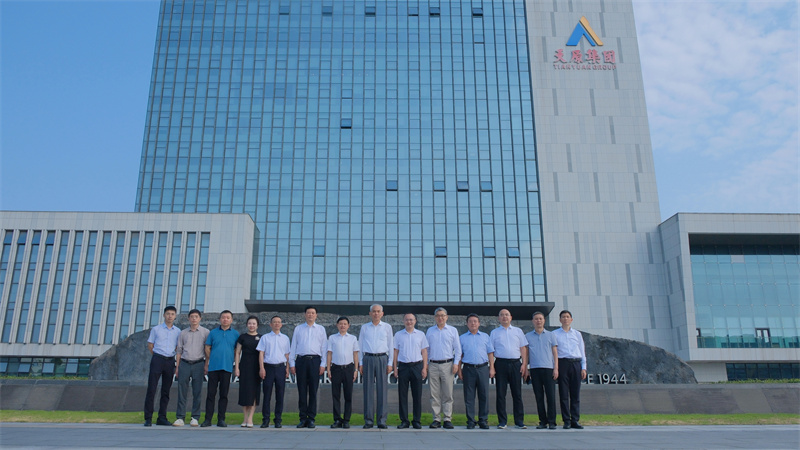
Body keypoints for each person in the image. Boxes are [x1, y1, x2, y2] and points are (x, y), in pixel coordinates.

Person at [490, 308, 528, 429]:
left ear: (511, 317)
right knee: (501, 394)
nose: (504, 317)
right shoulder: (494, 332)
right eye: (502, 315)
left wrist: (524, 364)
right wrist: (492, 367)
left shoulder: (518, 331)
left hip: (516, 364)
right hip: (500, 364)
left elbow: (523, 348)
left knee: (517, 393)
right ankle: (502, 421)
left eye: (507, 315)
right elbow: (491, 351)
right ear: (499, 318)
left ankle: (519, 421)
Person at [290, 306, 327, 428]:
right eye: (308, 313)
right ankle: (302, 418)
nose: (310, 315)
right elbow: (293, 346)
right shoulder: (298, 329)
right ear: (305, 315)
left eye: (313, 313)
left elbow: (324, 347)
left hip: (315, 361)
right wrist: (292, 363)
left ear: (316, 315)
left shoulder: (321, 329)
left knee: (313, 391)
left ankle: (311, 418)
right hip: (301, 361)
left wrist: (323, 364)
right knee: (301, 390)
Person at [144, 306, 181, 427]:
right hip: (157, 359)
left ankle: (162, 417)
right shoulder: (156, 329)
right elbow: (150, 345)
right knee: (152, 388)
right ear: (164, 315)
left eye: (172, 314)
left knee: (166, 390)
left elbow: (178, 347)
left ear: (175, 316)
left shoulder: (178, 331)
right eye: (168, 314)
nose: (170, 316)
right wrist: (157, 356)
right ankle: (148, 418)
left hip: (170, 361)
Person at [358, 304, 393, 429]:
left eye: (378, 311)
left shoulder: (387, 327)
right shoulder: (364, 327)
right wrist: (361, 363)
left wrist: (390, 363)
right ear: (370, 313)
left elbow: (391, 345)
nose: (376, 313)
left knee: (382, 390)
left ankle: (382, 420)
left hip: (382, 358)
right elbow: (360, 345)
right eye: (374, 311)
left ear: (382, 313)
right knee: (368, 390)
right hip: (368, 358)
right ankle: (368, 420)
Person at [425, 307, 461, 429]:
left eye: (442, 315)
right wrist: (426, 364)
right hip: (433, 365)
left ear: (446, 317)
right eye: (438, 316)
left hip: (448, 365)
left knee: (448, 393)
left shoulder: (452, 330)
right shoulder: (430, 331)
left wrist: (456, 363)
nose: (440, 318)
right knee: (434, 393)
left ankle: (447, 418)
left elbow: (458, 349)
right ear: (435, 318)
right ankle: (436, 419)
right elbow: (427, 349)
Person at [201, 310, 238, 427]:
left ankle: (221, 419)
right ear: (220, 319)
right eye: (223, 317)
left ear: (231, 320)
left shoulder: (235, 334)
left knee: (224, 395)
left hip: (227, 367)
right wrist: (209, 360)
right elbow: (207, 347)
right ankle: (208, 419)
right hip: (213, 367)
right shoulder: (213, 333)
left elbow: (237, 350)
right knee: (211, 394)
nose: (225, 319)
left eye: (228, 317)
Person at [173, 308, 209, 427]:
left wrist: (206, 365)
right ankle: (180, 417)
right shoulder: (183, 333)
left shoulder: (205, 332)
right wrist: (177, 367)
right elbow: (179, 350)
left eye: (196, 317)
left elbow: (207, 350)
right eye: (192, 317)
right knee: (182, 391)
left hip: (199, 363)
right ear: (188, 318)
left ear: (200, 318)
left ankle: (195, 417)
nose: (194, 319)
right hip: (184, 363)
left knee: (197, 391)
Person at [458, 313, 494, 430]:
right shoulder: (462, 338)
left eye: (475, 321)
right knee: (469, 396)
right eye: (470, 321)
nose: (473, 323)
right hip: (468, 368)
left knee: (484, 395)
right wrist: (459, 370)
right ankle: (471, 421)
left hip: (483, 368)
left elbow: (490, 353)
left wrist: (492, 367)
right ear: (467, 324)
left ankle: (483, 420)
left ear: (479, 323)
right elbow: (459, 355)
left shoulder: (485, 337)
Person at [393, 313, 428, 430]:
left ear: (415, 321)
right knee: (402, 395)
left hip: (417, 366)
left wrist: (424, 368)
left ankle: (416, 420)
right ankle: (404, 421)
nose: (409, 322)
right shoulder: (398, 335)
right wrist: (395, 368)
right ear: (403, 321)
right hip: (403, 367)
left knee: (417, 395)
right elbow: (395, 352)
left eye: (411, 320)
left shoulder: (421, 334)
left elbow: (424, 352)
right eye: (407, 320)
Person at [552, 309, 587, 429]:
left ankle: (575, 420)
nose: (565, 319)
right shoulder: (555, 334)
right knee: (563, 394)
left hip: (576, 364)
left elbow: (582, 351)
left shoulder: (577, 334)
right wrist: (555, 368)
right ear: (560, 319)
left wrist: (583, 367)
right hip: (562, 364)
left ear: (571, 319)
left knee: (575, 394)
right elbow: (554, 353)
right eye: (563, 317)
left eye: (567, 317)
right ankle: (566, 420)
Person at [525, 311, 559, 430]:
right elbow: (526, 354)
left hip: (549, 369)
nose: (538, 321)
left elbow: (555, 353)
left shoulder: (551, 335)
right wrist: (526, 369)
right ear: (532, 321)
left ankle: (552, 422)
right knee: (539, 397)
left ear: (544, 320)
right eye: (536, 319)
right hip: (535, 369)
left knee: (551, 396)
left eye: (540, 318)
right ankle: (542, 421)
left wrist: (556, 368)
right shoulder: (528, 336)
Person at [257, 315, 290, 428]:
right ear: (270, 324)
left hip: (280, 368)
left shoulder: (285, 338)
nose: (277, 324)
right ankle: (266, 420)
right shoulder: (265, 337)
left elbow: (287, 355)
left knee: (280, 395)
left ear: (281, 324)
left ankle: (278, 420)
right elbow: (261, 353)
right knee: (267, 395)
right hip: (268, 368)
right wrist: (262, 368)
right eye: (274, 322)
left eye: (279, 322)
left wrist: (287, 368)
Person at [326, 316, 359, 429]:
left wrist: (356, 370)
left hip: (348, 368)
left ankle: (346, 420)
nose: (342, 326)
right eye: (340, 323)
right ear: (337, 325)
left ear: (348, 326)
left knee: (348, 395)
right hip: (336, 368)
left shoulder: (353, 338)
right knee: (336, 395)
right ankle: (337, 419)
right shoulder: (332, 338)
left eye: (345, 324)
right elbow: (329, 354)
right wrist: (328, 369)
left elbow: (355, 355)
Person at [235, 316, 262, 427]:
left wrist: (262, 368)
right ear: (247, 325)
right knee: (244, 392)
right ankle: (245, 418)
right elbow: (237, 353)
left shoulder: (261, 338)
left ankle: (250, 418)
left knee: (254, 392)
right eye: (250, 323)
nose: (251, 325)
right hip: (245, 366)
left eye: (254, 323)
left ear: (257, 325)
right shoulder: (242, 337)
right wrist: (237, 367)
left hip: (256, 367)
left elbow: (262, 353)